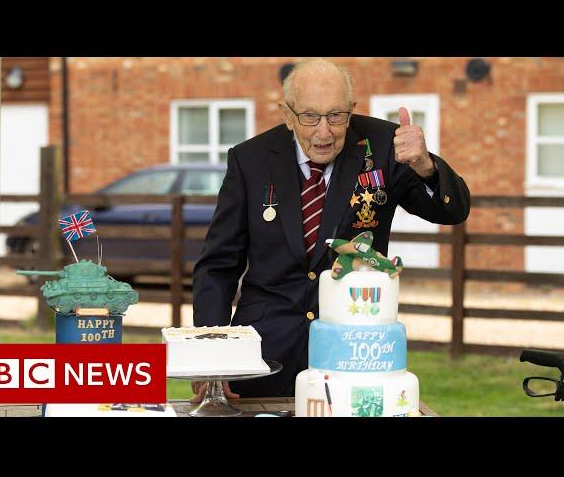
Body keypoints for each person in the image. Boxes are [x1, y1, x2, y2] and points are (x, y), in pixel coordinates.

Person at [191, 58, 470, 400]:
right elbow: (218, 266)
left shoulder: (385, 146)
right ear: (288, 115)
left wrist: (426, 166)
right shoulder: (250, 160)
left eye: (336, 116)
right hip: (263, 355)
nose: (324, 132)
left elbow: (452, 211)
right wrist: (211, 358)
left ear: (351, 111)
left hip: (353, 355)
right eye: (310, 116)